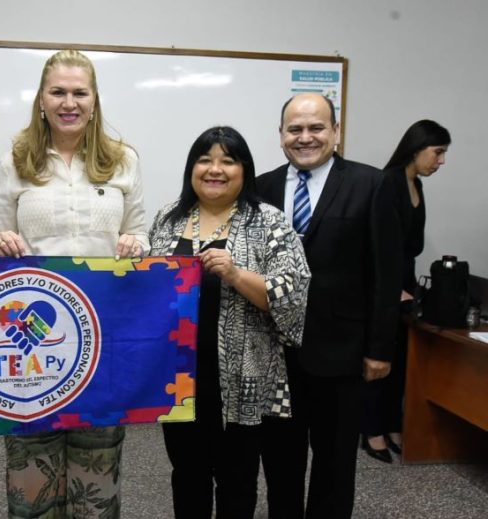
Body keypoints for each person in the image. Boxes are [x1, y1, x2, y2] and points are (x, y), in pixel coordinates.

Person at [0, 49, 148, 518]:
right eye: (58, 92)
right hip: (32, 341)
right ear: (41, 99)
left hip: (101, 334)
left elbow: (139, 231)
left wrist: (136, 243)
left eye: (80, 92)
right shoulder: (15, 160)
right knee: (31, 475)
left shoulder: (123, 161)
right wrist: (0, 243)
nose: (69, 102)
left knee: (96, 474)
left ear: (95, 100)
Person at [148, 126, 310, 518]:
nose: (214, 169)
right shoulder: (168, 220)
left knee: (237, 480)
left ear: (244, 170)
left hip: (244, 378)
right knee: (187, 475)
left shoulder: (269, 222)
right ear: (192, 168)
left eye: (227, 160)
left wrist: (237, 275)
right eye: (205, 159)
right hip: (181, 379)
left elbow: (292, 295)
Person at [257, 93, 401, 519]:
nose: (305, 137)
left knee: (335, 461)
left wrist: (380, 349)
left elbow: (386, 275)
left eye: (316, 128)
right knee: (279, 459)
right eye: (294, 129)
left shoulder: (371, 185)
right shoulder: (260, 187)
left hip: (342, 352)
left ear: (336, 132)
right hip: (273, 353)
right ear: (280, 135)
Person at [361, 120, 451, 463]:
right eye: (437, 152)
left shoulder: (417, 185)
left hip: (405, 283)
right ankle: (371, 431)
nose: (440, 161)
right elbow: (380, 247)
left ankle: (391, 423)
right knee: (378, 357)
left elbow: (412, 245)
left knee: (399, 360)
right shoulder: (389, 182)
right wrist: (393, 289)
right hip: (386, 285)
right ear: (417, 148)